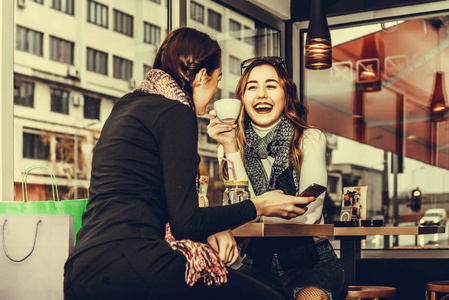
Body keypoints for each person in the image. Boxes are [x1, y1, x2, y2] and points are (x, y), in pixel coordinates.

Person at [63, 29, 316, 300]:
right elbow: (187, 223)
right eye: (216, 80)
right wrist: (260, 205)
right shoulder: (176, 112)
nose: (215, 92)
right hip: (131, 262)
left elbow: (159, 204)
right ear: (200, 77)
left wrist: (214, 228)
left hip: (81, 267)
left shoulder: (128, 105)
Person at [207, 56, 348, 300]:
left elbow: (309, 214)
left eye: (271, 86)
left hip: (312, 261)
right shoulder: (228, 147)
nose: (261, 94)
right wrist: (230, 146)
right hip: (255, 263)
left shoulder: (310, 138)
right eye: (252, 87)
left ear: (286, 94)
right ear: (241, 100)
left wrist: (255, 211)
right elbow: (239, 208)